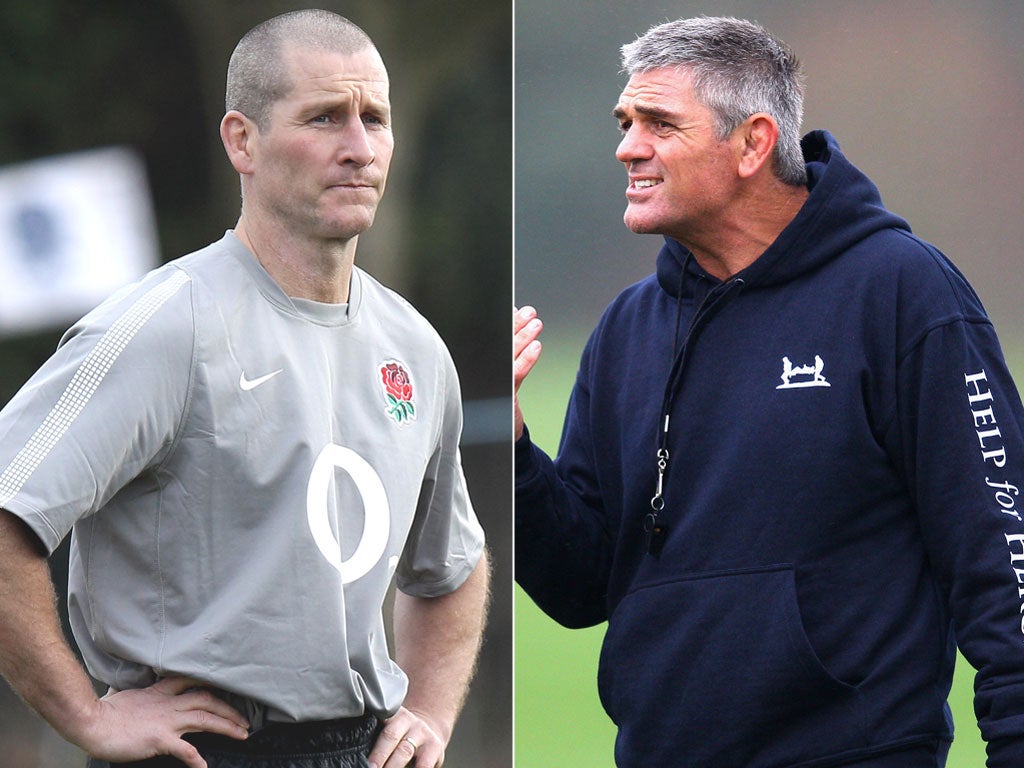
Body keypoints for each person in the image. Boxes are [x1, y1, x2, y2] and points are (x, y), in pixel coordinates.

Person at [514, 15, 1024, 768]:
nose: (627, 146)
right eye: (625, 122)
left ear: (753, 143)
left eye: (659, 123)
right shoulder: (626, 330)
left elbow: (1002, 564)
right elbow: (581, 585)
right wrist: (520, 456)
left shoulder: (901, 294)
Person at [0, 9, 489, 768]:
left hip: (356, 748)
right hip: (198, 751)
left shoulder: (415, 350)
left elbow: (453, 564)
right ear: (242, 141)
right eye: (325, 117)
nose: (358, 147)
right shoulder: (166, 326)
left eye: (375, 118)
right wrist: (84, 716)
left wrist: (427, 711)